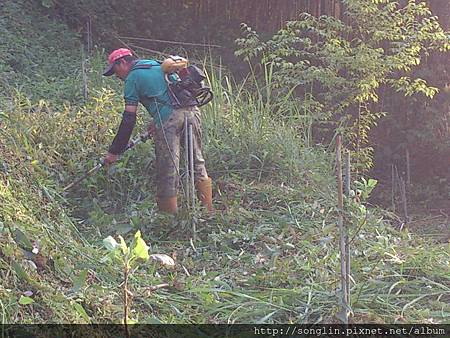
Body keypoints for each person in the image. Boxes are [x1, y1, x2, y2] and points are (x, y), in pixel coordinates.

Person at [102, 48, 213, 214]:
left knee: (168, 168)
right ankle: (208, 210)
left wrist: (114, 151)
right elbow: (171, 93)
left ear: (123, 62)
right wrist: (156, 120)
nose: (116, 76)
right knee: (197, 161)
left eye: (115, 70)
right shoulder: (156, 65)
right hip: (192, 111)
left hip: (170, 120)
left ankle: (168, 218)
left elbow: (128, 119)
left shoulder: (132, 78)